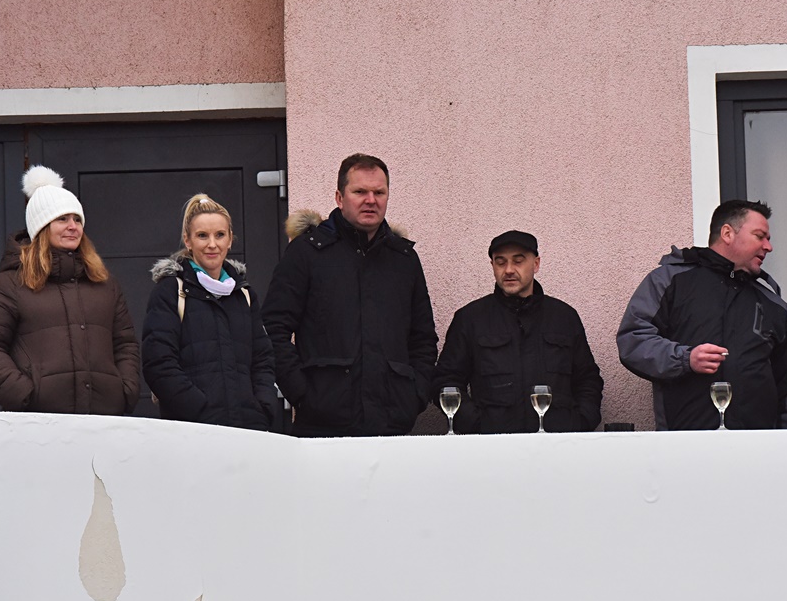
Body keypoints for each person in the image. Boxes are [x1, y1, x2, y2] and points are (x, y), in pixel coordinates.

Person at [262, 154, 438, 437]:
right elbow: (273, 329)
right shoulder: (307, 253)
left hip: (392, 425)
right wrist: (303, 393)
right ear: (339, 198)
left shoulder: (403, 259)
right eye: (360, 192)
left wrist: (414, 395)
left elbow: (423, 338)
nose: (371, 200)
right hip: (322, 426)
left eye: (379, 192)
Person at [0, 166, 140, 414]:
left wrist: (124, 392)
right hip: (39, 426)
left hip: (104, 421)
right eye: (62, 219)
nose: (73, 226)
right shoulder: (10, 284)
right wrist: (24, 396)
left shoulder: (104, 283)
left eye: (77, 219)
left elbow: (125, 345)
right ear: (41, 227)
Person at [617, 199, 787, 430]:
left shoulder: (774, 304)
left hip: (757, 443)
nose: (768, 247)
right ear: (727, 233)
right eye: (759, 236)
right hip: (685, 440)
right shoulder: (670, 281)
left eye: (768, 239)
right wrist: (685, 359)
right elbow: (633, 340)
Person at [432, 231, 604, 433]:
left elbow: (588, 380)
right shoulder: (470, 319)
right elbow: (446, 382)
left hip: (558, 442)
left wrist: (579, 422)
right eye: (500, 262)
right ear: (492, 266)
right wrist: (476, 425)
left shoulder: (564, 317)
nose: (509, 270)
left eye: (518, 261)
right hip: (491, 444)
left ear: (536, 264)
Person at [140, 194, 278, 430]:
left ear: (230, 240)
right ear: (188, 240)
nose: (212, 244)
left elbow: (263, 360)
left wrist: (262, 408)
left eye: (220, 235)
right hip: (193, 431)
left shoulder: (244, 294)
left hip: (248, 430)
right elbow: (159, 364)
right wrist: (198, 411)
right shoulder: (170, 291)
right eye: (202, 235)